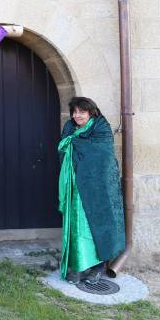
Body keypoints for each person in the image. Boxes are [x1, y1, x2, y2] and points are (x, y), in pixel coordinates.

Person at [58, 97, 126, 284]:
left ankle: (97, 266)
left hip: (98, 189)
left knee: (96, 224)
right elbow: (64, 151)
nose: (77, 115)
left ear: (91, 112)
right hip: (76, 188)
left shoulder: (101, 128)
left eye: (82, 112)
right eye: (75, 112)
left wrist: (75, 143)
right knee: (77, 226)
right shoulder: (70, 128)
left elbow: (102, 155)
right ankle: (78, 266)